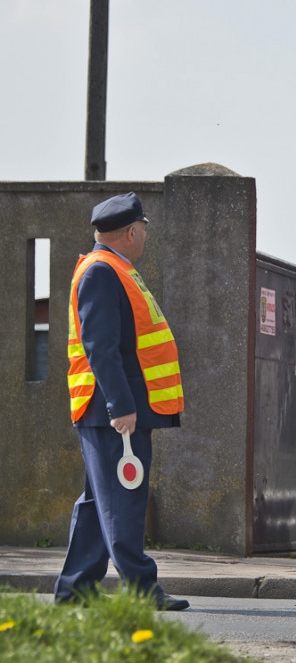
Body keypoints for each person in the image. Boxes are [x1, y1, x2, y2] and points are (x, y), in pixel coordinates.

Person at [55, 192, 189, 611]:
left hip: (105, 408)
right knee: (124, 500)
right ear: (131, 232)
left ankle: (75, 591)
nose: (146, 235)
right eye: (144, 228)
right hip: (113, 410)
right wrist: (121, 405)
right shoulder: (103, 271)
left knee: (99, 503)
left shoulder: (111, 268)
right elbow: (101, 347)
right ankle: (143, 590)